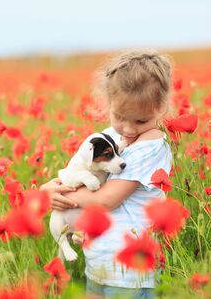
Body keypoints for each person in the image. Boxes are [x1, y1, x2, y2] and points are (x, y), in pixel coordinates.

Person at [40, 50, 173, 298]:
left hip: (131, 273)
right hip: (98, 261)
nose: (129, 129)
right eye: (120, 117)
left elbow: (105, 200)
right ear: (108, 104)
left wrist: (64, 194)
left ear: (161, 108)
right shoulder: (109, 137)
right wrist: (49, 188)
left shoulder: (152, 146)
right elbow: (76, 170)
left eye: (141, 121)